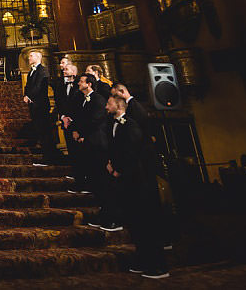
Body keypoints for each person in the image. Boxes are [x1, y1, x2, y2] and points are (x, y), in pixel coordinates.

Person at [107, 93, 168, 279]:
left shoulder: (131, 125)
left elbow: (133, 154)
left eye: (108, 103)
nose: (105, 106)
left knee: (147, 224)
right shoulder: (115, 125)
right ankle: (143, 260)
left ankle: (158, 266)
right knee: (136, 225)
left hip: (138, 183)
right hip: (128, 184)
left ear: (118, 106)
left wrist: (117, 170)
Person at [70, 73, 113, 231]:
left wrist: (81, 133)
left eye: (81, 81)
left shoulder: (98, 99)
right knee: (95, 180)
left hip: (98, 144)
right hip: (88, 143)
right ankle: (102, 213)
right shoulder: (82, 99)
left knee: (102, 181)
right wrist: (76, 131)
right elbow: (79, 117)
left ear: (89, 84)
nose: (78, 83)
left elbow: (95, 120)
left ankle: (109, 217)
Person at [24, 50, 55, 166]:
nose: (29, 58)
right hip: (33, 105)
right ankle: (44, 156)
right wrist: (25, 95)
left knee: (45, 132)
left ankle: (49, 158)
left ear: (38, 57)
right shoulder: (30, 71)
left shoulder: (43, 70)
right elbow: (27, 86)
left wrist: (30, 96)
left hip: (41, 105)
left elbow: (39, 86)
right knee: (40, 132)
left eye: (31, 56)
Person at [54, 56, 82, 174]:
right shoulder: (62, 86)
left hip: (78, 123)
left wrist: (72, 119)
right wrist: (63, 117)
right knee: (71, 149)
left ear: (74, 72)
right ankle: (76, 173)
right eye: (64, 69)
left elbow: (80, 105)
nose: (64, 71)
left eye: (67, 69)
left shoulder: (80, 86)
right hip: (65, 122)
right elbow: (59, 103)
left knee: (80, 151)